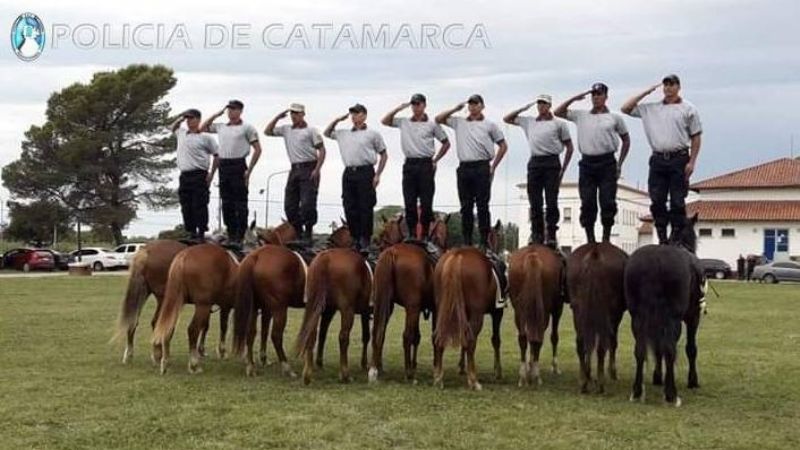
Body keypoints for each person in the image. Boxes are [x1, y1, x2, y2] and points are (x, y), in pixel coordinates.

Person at [621, 74, 703, 244]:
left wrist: (692, 161)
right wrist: (646, 92)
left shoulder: (688, 109)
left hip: (679, 158)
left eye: (672, 84)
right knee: (657, 200)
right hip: (658, 159)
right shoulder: (651, 108)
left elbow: (696, 136)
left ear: (678, 87)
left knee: (677, 201)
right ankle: (662, 236)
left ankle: (676, 234)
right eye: (665, 85)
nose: (668, 88)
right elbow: (625, 108)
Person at [554, 83, 630, 243]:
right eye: (593, 94)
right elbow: (558, 111)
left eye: (599, 94)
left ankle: (606, 237)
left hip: (607, 162)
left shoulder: (615, 118)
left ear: (606, 97)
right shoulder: (581, 115)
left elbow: (626, 140)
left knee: (607, 200)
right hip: (587, 163)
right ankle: (590, 238)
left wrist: (620, 163)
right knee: (587, 201)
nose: (596, 97)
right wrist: (575, 98)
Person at [436, 94, 507, 248]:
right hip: (464, 167)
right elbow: (439, 118)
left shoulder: (490, 125)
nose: (473, 107)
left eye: (476, 104)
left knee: (482, 205)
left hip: (482, 166)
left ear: (482, 106)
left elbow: (503, 146)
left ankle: (483, 241)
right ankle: (467, 240)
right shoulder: (459, 122)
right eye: (471, 104)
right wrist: (455, 108)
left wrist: (493, 166)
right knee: (466, 207)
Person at [504, 94, 574, 247]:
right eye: (539, 104)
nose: (541, 107)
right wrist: (523, 108)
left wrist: (563, 169)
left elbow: (569, 147)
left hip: (551, 161)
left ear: (549, 106)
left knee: (551, 201)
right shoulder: (529, 121)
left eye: (544, 104)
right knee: (534, 201)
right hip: (535, 161)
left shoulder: (559, 124)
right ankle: (537, 233)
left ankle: (551, 234)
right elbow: (507, 119)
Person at [381, 93, 450, 240]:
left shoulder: (432, 124)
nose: (415, 107)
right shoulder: (404, 122)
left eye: (418, 104)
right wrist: (398, 109)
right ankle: (412, 233)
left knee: (426, 202)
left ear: (424, 105)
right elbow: (385, 121)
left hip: (425, 164)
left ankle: (424, 234)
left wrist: (435, 160)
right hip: (410, 164)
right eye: (413, 104)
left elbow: (446, 143)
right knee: (409, 201)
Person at [324, 103, 388, 252]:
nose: (353, 116)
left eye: (357, 113)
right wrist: (337, 120)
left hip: (365, 171)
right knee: (349, 206)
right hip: (349, 172)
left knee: (365, 206)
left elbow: (384, 154)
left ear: (364, 115)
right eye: (352, 113)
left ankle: (365, 239)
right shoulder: (343, 133)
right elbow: (327, 133)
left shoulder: (373, 134)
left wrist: (378, 174)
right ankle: (355, 237)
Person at [201, 100, 262, 247]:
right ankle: (231, 233)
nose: (230, 112)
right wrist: (217, 114)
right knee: (226, 202)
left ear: (240, 111)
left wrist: (249, 170)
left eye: (234, 109)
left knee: (240, 203)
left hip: (238, 164)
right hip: (224, 165)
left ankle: (240, 235)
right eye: (229, 109)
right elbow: (203, 127)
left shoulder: (247, 127)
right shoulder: (221, 127)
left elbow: (257, 149)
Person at [265, 103, 326, 243]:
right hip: (294, 168)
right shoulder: (286, 129)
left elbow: (322, 150)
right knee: (290, 205)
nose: (294, 116)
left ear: (303, 114)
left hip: (309, 166)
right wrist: (277, 117)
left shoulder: (312, 131)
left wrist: (317, 169)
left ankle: (308, 232)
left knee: (307, 203)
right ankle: (298, 232)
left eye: (297, 113)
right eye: (292, 113)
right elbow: (267, 131)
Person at [170, 109, 219, 241]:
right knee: (186, 205)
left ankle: (201, 232)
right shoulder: (182, 133)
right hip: (185, 174)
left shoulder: (206, 137)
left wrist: (211, 174)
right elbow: (172, 127)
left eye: (191, 118)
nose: (189, 121)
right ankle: (191, 232)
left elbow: (217, 155)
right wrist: (180, 118)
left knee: (200, 204)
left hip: (199, 174)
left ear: (198, 120)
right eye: (187, 119)